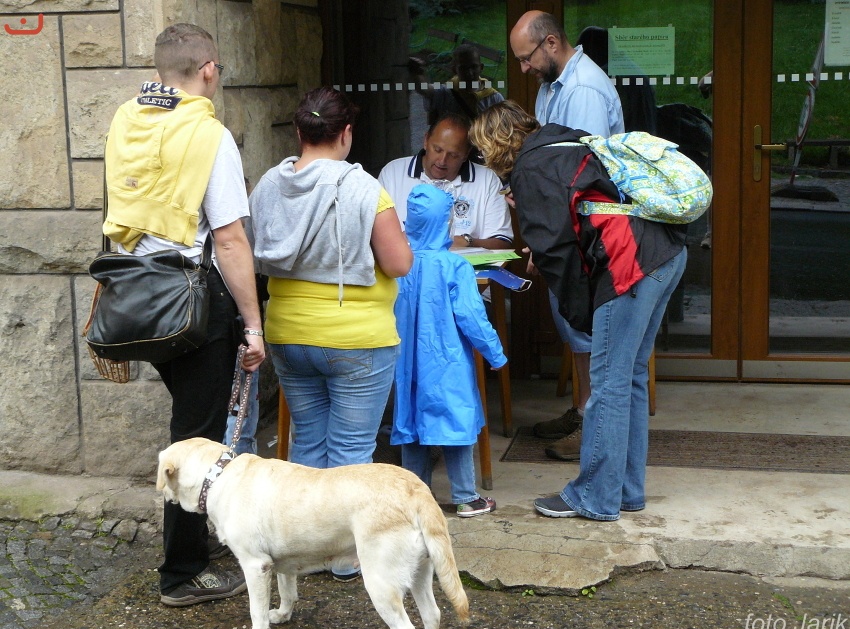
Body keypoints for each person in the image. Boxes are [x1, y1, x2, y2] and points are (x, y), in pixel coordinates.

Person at [103, 23, 265, 606]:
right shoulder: (208, 134)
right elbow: (230, 239)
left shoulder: (127, 122)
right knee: (196, 439)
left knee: (192, 422)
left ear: (160, 71)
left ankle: (199, 539)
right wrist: (253, 324)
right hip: (194, 303)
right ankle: (182, 573)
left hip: (140, 297)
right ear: (209, 70)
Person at [470, 101, 687, 521]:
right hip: (664, 254)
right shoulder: (565, 142)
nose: (483, 159)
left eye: (482, 150)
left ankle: (593, 496)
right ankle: (624, 491)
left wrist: (581, 315)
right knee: (629, 378)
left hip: (629, 266)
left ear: (495, 143)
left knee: (607, 383)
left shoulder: (531, 169)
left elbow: (556, 252)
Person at [248, 86, 413, 580]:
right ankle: (343, 560)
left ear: (299, 132)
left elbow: (251, 248)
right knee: (351, 453)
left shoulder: (268, 186)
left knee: (307, 447)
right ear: (346, 133)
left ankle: (303, 553)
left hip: (288, 333)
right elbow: (399, 263)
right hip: (356, 339)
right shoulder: (365, 189)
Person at [510, 10, 625, 460]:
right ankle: (582, 412)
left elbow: (577, 175)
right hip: (571, 226)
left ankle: (594, 429)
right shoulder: (553, 84)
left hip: (587, 228)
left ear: (552, 43)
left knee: (589, 330)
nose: (524, 68)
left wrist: (548, 240)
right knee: (576, 328)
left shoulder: (582, 91)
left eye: (526, 58)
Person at [392, 184, 507, 517]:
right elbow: (472, 317)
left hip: (405, 360)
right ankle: (466, 496)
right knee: (456, 421)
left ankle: (414, 500)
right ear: (446, 222)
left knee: (411, 422)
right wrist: (495, 354)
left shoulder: (398, 264)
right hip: (447, 360)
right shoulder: (455, 266)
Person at [378, 113, 513, 251]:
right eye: (437, 150)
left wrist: (467, 241)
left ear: (466, 154)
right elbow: (374, 236)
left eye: (453, 155)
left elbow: (502, 243)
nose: (442, 161)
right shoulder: (393, 173)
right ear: (426, 141)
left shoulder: (487, 180)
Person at [410, 43, 505, 126]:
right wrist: (417, 74)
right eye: (463, 68)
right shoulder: (447, 91)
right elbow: (425, 90)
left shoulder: (494, 98)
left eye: (474, 67)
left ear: (481, 67)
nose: (469, 73)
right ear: (454, 70)